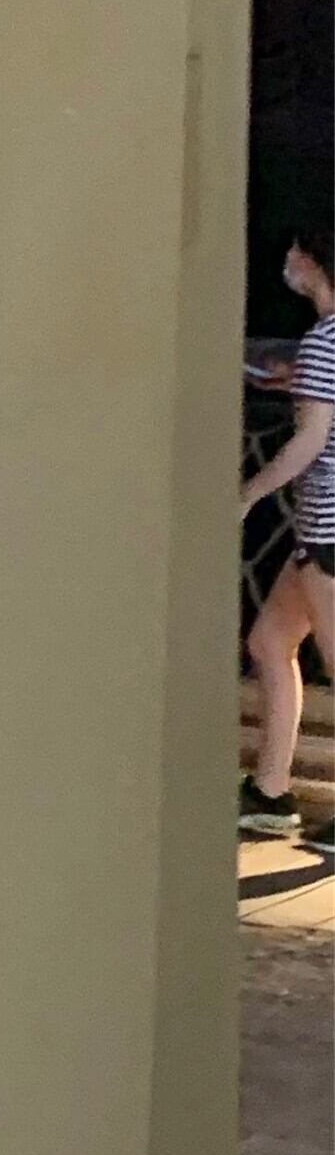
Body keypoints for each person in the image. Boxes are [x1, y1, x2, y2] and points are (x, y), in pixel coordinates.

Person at [239, 225, 335, 840]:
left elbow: (310, 441)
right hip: (316, 530)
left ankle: (273, 792)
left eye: (295, 252)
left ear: (315, 262)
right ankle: (270, 791)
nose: (288, 261)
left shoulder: (325, 341)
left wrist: (248, 493)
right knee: (271, 642)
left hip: (329, 526)